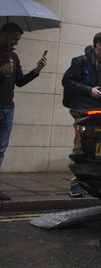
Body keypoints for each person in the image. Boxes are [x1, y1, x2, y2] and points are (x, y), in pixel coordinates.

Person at [62, 31, 101, 197]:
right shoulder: (80, 61)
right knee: (80, 147)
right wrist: (89, 90)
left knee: (98, 149)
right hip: (82, 110)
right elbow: (67, 81)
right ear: (98, 46)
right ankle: (75, 184)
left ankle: (90, 183)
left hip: (100, 112)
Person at [0, 23, 46, 201]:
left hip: (7, 109)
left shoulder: (13, 57)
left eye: (18, 40)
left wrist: (37, 70)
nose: (16, 43)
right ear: (3, 34)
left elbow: (19, 81)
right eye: (13, 39)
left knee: (1, 150)